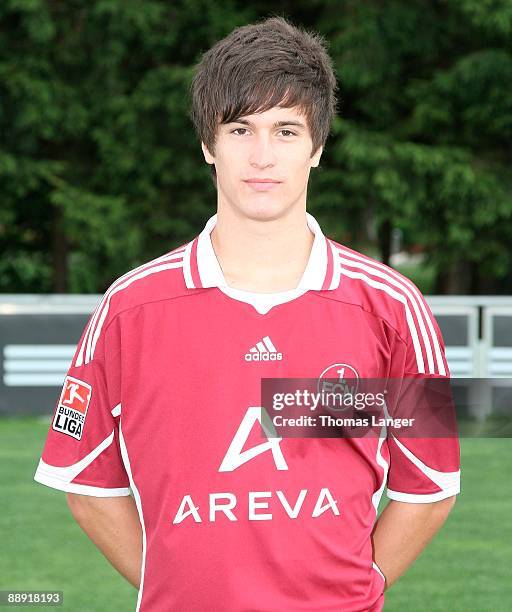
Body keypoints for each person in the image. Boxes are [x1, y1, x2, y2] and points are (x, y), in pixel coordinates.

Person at [34, 15, 460, 612]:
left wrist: (357, 590)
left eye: (287, 131)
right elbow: (86, 486)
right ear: (208, 144)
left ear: (318, 147)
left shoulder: (394, 308)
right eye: (240, 129)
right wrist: (180, 587)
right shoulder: (129, 308)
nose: (262, 156)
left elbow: (429, 488)